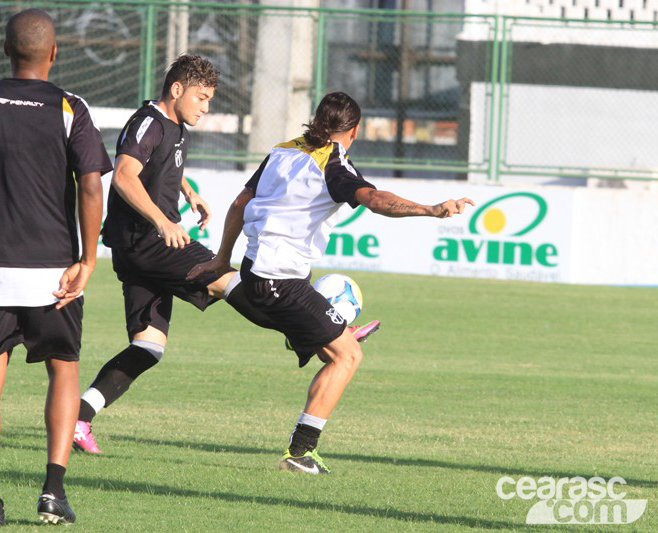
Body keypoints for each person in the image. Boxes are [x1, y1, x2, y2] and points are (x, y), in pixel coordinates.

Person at [72, 56, 380, 455]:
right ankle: (317, 332)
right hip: (151, 243)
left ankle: (79, 419)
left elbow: (157, 164)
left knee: (148, 347)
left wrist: (186, 190)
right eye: (202, 98)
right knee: (233, 280)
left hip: (137, 252)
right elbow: (126, 175)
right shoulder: (148, 121)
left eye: (210, 99)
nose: (206, 107)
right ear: (177, 90)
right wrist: (163, 223)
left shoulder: (174, 126)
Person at [188, 91, 474, 474]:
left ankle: (284, 321)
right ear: (353, 130)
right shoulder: (334, 164)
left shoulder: (282, 150)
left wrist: (222, 259)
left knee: (317, 335)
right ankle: (301, 453)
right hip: (281, 284)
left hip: (254, 272)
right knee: (347, 355)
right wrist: (430, 209)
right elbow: (374, 199)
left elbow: (240, 204)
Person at [0, 9, 111, 526]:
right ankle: (52, 492)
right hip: (52, 272)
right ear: (54, 54)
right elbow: (93, 183)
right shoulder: (68, 107)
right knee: (63, 372)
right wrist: (89, 257)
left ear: (5, 51)